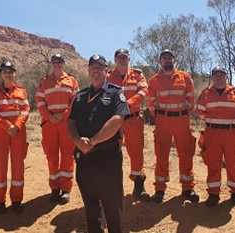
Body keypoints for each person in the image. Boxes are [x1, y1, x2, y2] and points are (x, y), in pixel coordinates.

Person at [68, 54, 129, 233]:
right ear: (88, 71)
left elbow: (117, 119)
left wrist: (93, 141)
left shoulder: (115, 92)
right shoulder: (80, 96)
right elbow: (71, 122)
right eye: (92, 66)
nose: (96, 69)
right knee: (90, 203)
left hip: (107, 156)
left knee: (112, 204)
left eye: (100, 67)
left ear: (106, 71)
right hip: (85, 157)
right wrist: (78, 141)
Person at [146, 49, 199, 203]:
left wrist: (181, 113)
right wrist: (163, 115)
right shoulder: (154, 80)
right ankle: (160, 189)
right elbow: (151, 103)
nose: (167, 60)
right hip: (163, 120)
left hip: (182, 119)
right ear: (160, 62)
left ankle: (188, 188)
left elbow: (191, 101)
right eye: (164, 58)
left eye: (170, 58)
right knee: (161, 153)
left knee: (185, 153)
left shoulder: (185, 77)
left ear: (175, 60)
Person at [196, 66, 235, 208]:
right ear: (212, 78)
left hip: (231, 134)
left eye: (222, 75)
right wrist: (213, 123)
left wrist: (231, 125)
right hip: (212, 133)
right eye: (216, 75)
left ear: (226, 77)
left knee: (233, 163)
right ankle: (213, 194)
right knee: (213, 163)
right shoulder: (206, 94)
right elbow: (200, 112)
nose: (219, 78)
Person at [106, 48, 150, 201]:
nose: (122, 60)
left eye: (125, 58)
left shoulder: (137, 74)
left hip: (133, 119)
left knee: (136, 153)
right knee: (112, 153)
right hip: (115, 121)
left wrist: (128, 103)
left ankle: (139, 185)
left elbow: (144, 90)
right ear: (115, 60)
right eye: (119, 58)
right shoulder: (108, 76)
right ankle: (113, 187)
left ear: (129, 59)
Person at [35, 53, 79, 204]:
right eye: (55, 62)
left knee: (67, 155)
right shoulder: (45, 81)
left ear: (64, 64)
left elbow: (75, 101)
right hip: (50, 124)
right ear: (51, 64)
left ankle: (66, 189)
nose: (57, 64)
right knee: (52, 156)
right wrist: (49, 116)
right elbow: (39, 101)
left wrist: (64, 115)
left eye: (60, 62)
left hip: (66, 123)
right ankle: (54, 188)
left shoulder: (72, 80)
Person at [0, 61, 30, 214]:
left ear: (14, 74)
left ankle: (17, 200)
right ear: (1, 74)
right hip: (1, 134)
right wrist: (7, 126)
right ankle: (0, 201)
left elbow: (25, 110)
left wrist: (16, 126)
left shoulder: (21, 91)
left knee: (18, 166)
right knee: (0, 167)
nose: (8, 74)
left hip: (18, 133)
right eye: (5, 71)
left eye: (10, 71)